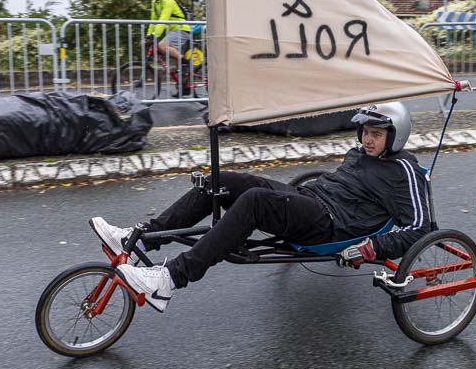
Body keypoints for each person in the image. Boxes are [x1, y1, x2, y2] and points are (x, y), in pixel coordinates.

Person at [89, 102, 429, 313]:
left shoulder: (405, 172)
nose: (367, 139)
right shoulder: (359, 154)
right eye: (365, 131)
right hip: (316, 199)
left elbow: (420, 228)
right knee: (225, 181)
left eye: (377, 134)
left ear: (395, 135)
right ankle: (144, 237)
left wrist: (371, 247)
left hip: (334, 226)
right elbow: (341, 183)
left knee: (255, 202)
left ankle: (170, 279)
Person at [146, 0, 191, 89]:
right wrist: (148, 35)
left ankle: (185, 62)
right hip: (173, 31)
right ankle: (183, 87)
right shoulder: (154, 3)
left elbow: (163, 19)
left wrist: (155, 35)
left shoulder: (168, 0)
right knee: (164, 51)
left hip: (182, 29)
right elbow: (153, 21)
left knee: (161, 45)